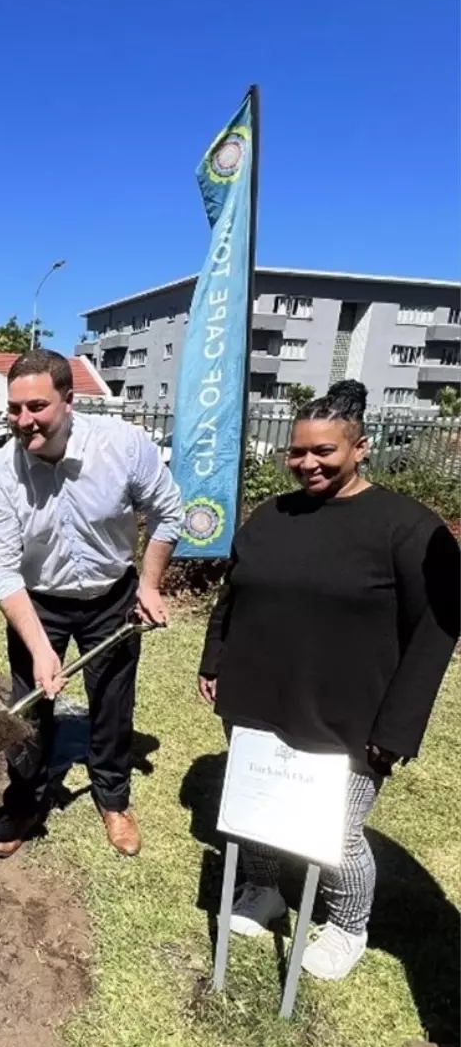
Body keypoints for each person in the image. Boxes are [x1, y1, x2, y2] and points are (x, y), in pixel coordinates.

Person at [199, 380, 460, 981]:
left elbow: (437, 632)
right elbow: (234, 594)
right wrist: (215, 659)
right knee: (261, 810)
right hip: (262, 696)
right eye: (297, 451)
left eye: (324, 452)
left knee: (336, 833)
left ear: (361, 447)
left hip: (352, 713)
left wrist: (399, 725)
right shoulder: (272, 515)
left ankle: (347, 923)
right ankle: (263, 888)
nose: (307, 464)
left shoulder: (407, 528)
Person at [0, 348, 183, 858]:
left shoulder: (123, 445)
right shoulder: (1, 473)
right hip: (38, 599)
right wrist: (42, 648)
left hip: (112, 595)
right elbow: (1, 568)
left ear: (69, 400)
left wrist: (150, 585)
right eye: (14, 409)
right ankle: (25, 801)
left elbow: (168, 514)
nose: (24, 421)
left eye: (37, 407)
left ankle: (113, 799)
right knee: (28, 704)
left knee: (112, 703)